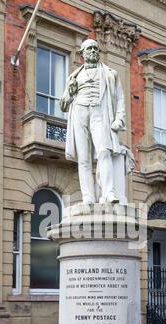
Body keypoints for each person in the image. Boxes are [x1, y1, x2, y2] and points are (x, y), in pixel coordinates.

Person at [60, 39, 127, 204]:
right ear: (82, 53)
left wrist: (119, 118)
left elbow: (120, 98)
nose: (93, 51)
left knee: (104, 151)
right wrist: (70, 91)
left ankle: (109, 192)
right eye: (89, 48)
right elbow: (63, 105)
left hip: (100, 112)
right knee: (83, 159)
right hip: (80, 113)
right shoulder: (74, 76)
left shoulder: (111, 73)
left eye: (96, 48)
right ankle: (88, 196)